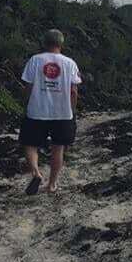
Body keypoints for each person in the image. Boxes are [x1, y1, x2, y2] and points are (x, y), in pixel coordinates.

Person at [18, 29, 82, 195]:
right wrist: (72, 111)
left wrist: (26, 104)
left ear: (44, 42)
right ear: (61, 44)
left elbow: (28, 87)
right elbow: (73, 91)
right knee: (58, 148)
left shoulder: (35, 60)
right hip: (62, 113)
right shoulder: (70, 63)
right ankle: (52, 184)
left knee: (30, 144)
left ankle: (36, 173)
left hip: (37, 110)